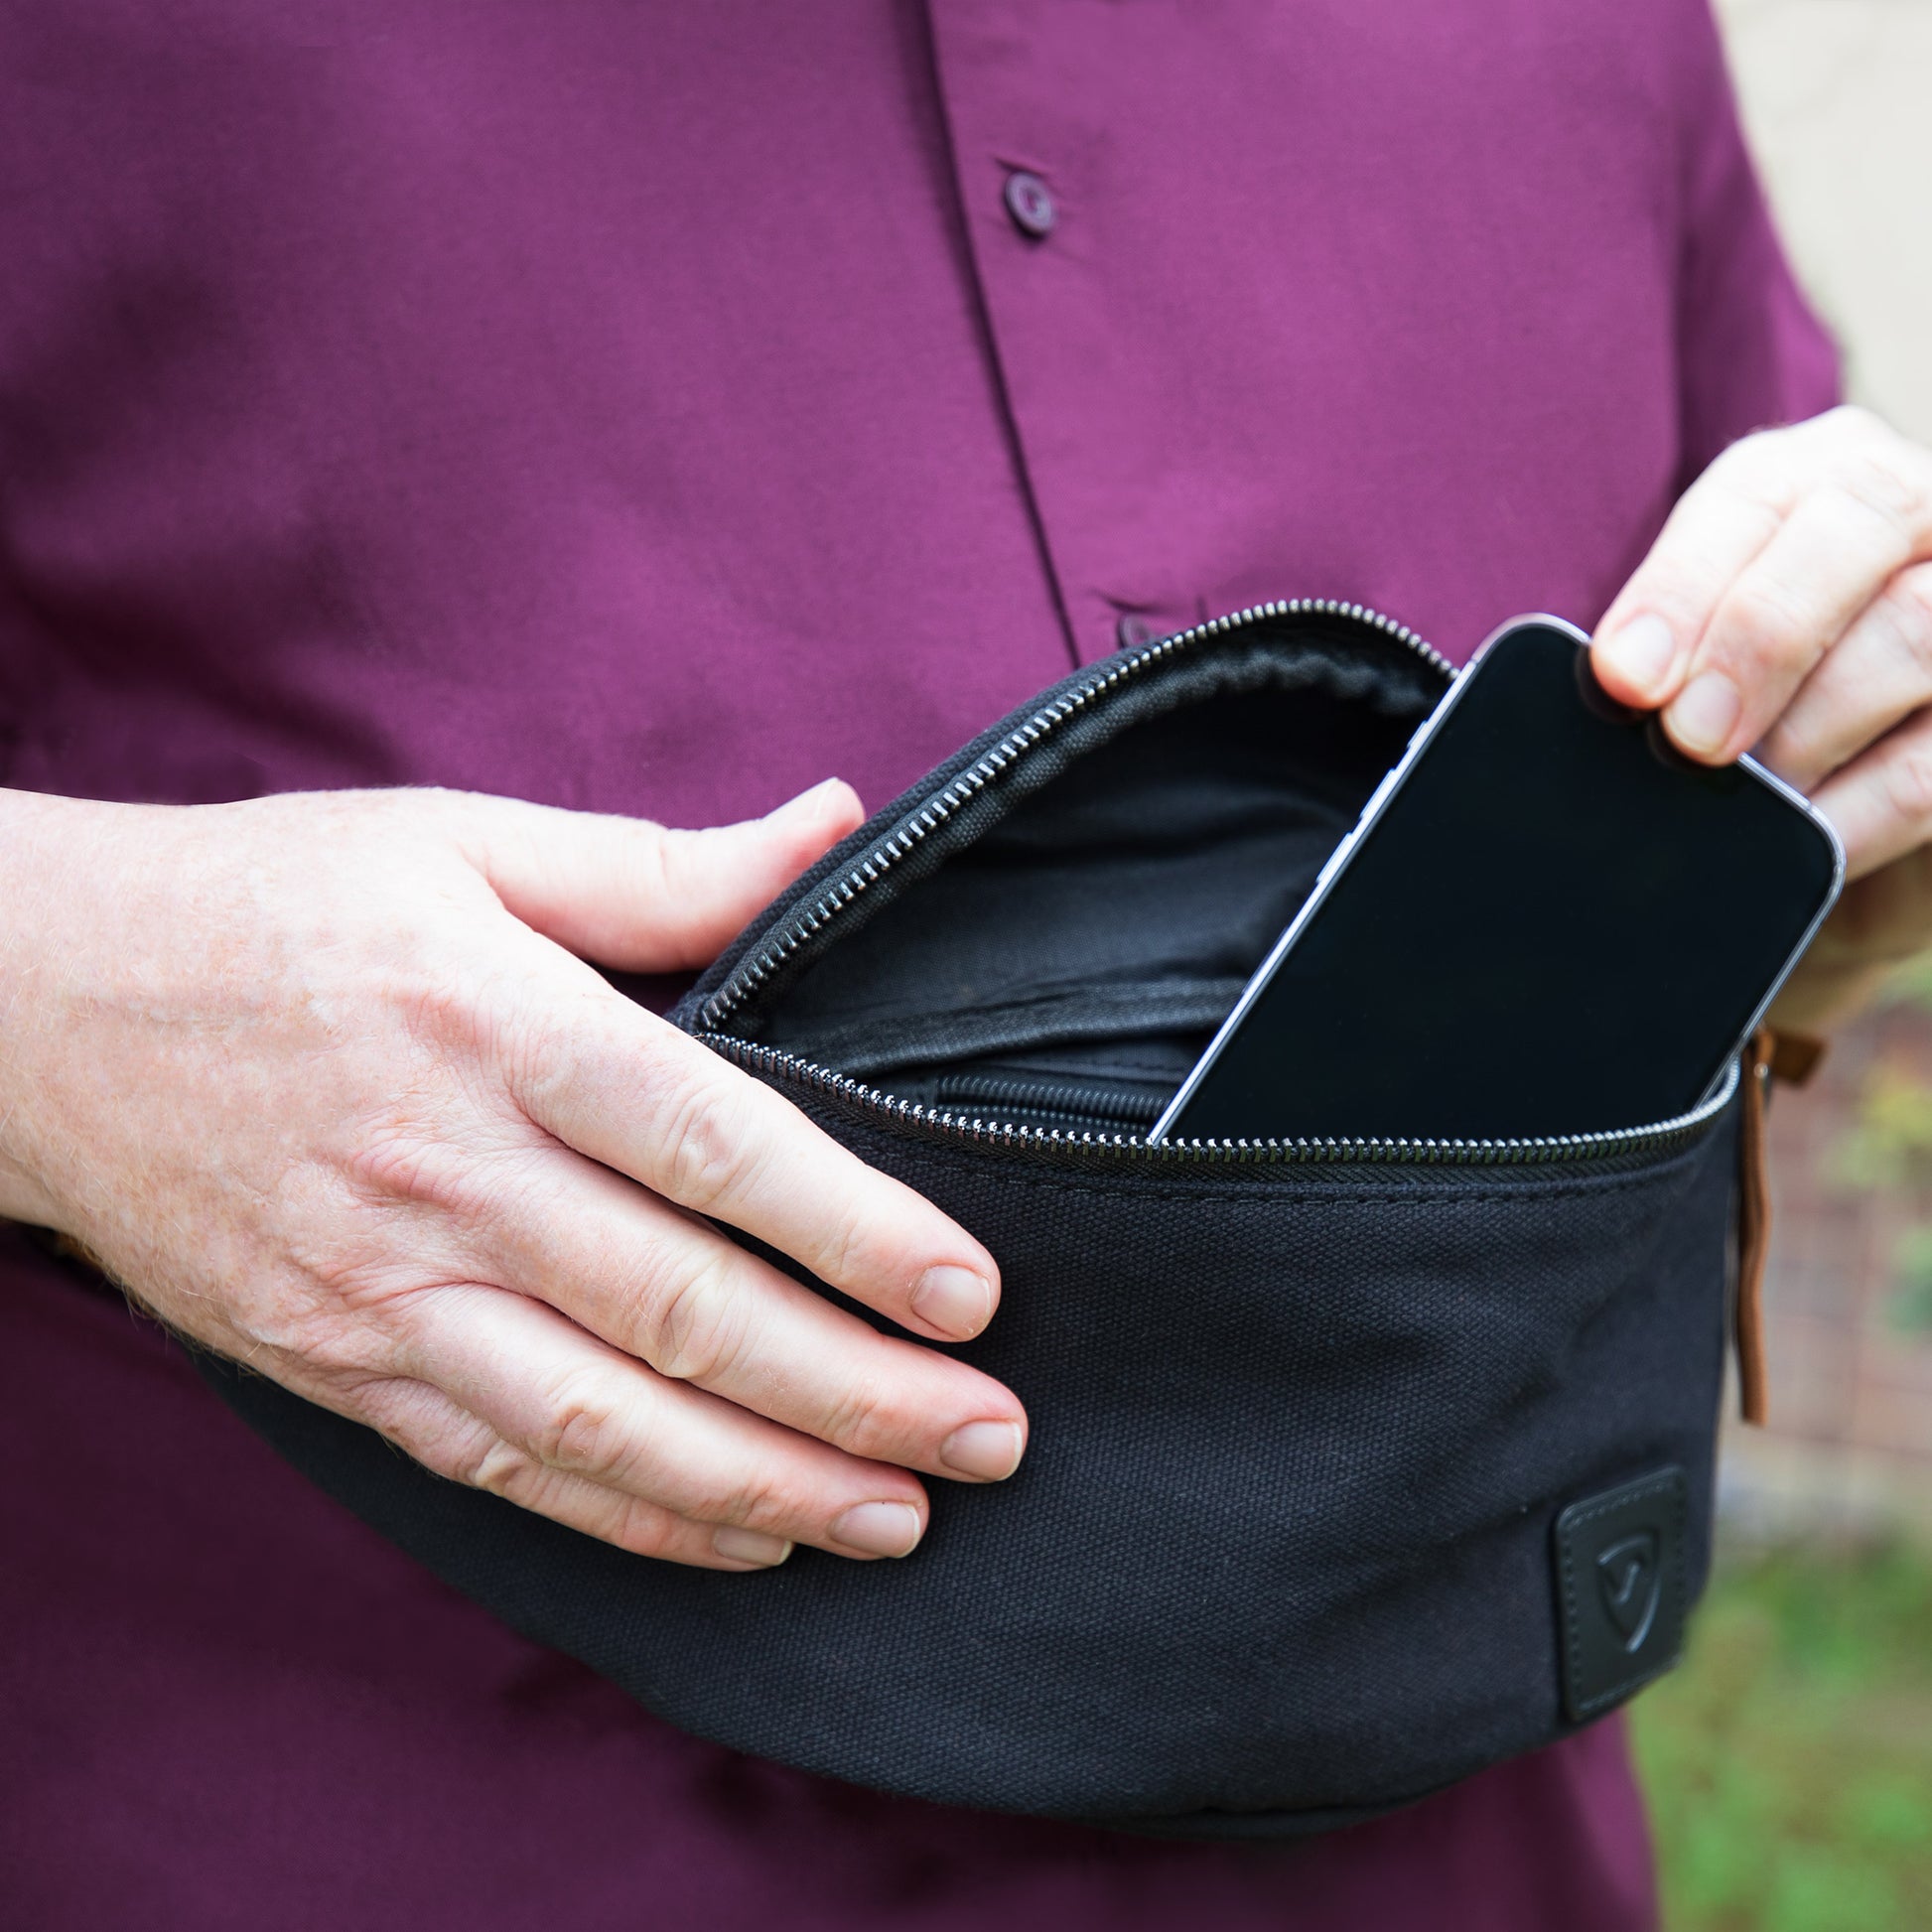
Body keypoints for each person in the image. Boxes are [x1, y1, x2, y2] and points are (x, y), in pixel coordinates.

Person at [1, 3, 1928, 1926]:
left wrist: (1840, 833)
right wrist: (51, 1003)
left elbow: (1771, 823)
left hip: (1468, 1844)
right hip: (364, 1803)